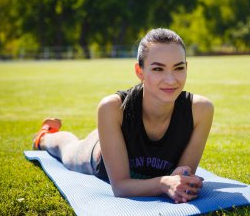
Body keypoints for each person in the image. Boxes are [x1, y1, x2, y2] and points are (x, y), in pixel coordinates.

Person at [32, 28, 214, 204]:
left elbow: (181, 178)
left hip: (122, 137)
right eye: (158, 69)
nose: (171, 79)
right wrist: (164, 183)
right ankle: (45, 136)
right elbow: (120, 186)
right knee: (68, 149)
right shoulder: (112, 107)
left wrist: (181, 178)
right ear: (139, 71)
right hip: (99, 153)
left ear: (186, 68)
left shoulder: (200, 110)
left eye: (178, 68)